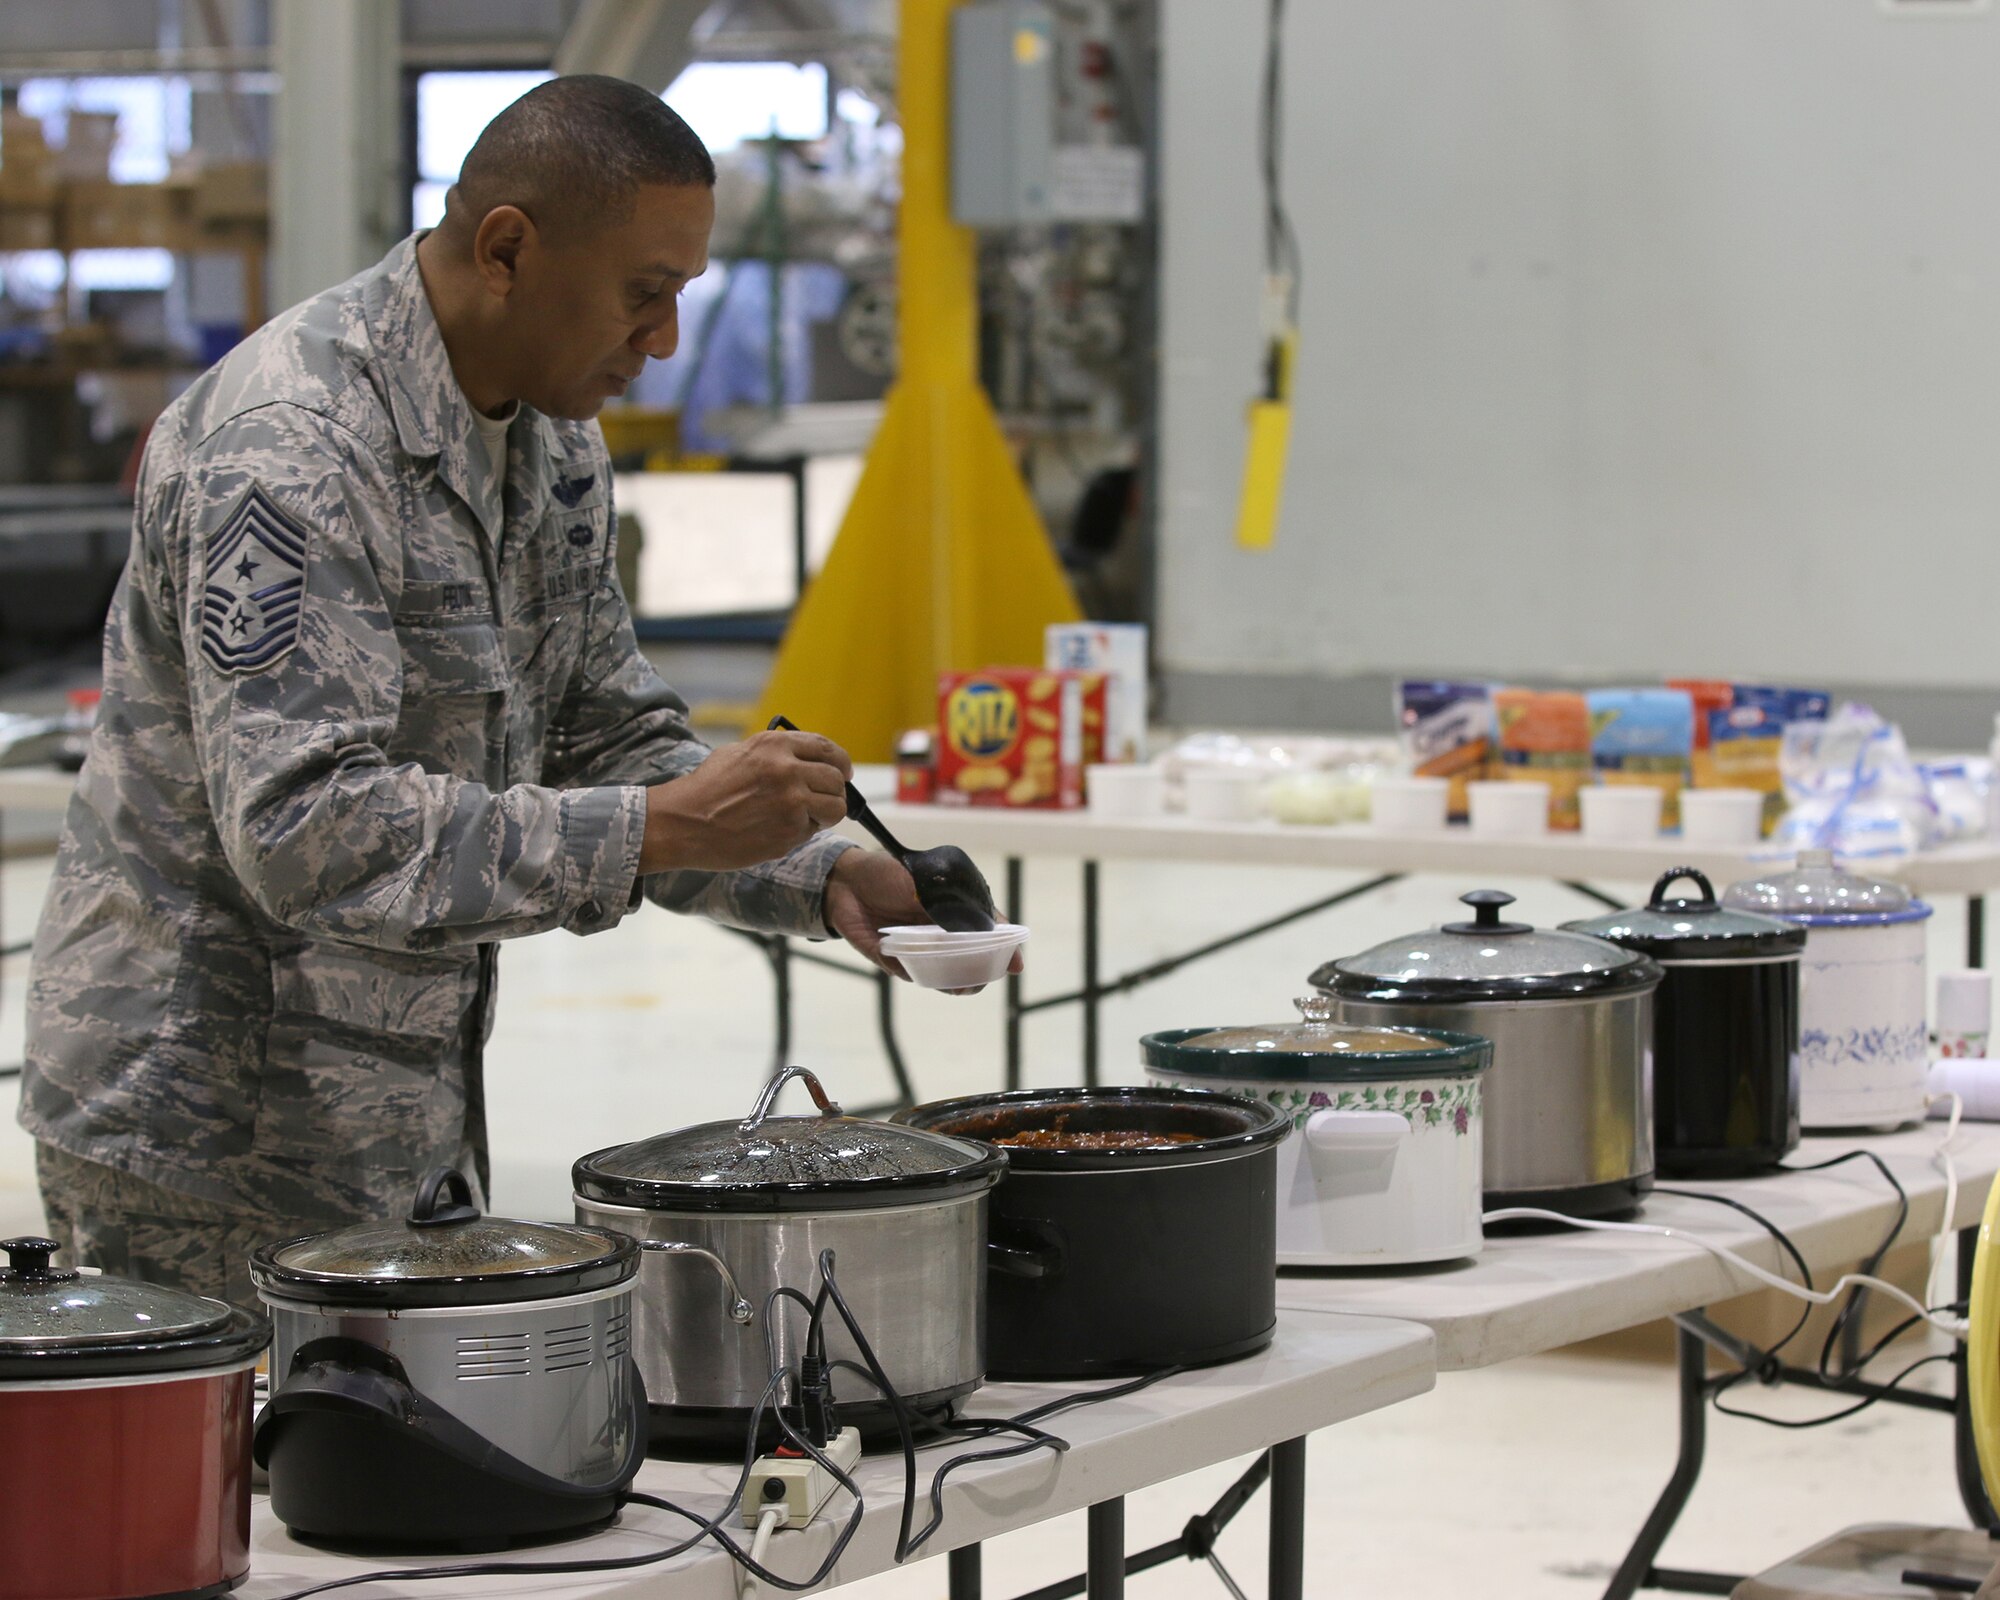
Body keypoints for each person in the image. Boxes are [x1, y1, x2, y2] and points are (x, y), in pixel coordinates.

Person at [20, 76, 957, 1307]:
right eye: (643, 293)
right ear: (507, 248)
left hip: (401, 1099)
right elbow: (307, 832)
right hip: (205, 1124)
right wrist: (663, 828)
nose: (663, 340)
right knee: (226, 1496)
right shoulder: (293, 447)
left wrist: (819, 869)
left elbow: (602, 730)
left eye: (680, 294)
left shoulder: (549, 435)